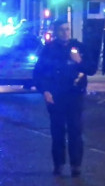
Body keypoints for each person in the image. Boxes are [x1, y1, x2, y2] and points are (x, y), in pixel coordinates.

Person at [33, 18, 96, 177]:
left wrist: (79, 61)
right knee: (57, 131)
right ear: (55, 31)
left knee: (75, 131)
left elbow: (91, 68)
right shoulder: (49, 49)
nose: (65, 32)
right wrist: (45, 91)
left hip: (74, 95)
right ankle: (59, 164)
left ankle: (76, 165)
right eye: (62, 29)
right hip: (56, 96)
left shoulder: (79, 48)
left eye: (67, 29)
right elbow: (39, 73)